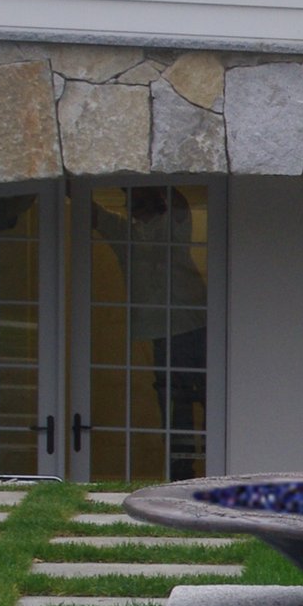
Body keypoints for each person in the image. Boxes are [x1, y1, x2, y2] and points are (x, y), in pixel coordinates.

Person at [87, 188, 208, 480]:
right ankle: (182, 472)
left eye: (136, 200)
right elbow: (93, 213)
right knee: (175, 401)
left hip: (193, 324)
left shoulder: (171, 224)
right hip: (165, 330)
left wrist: (150, 179)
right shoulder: (125, 232)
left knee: (201, 397)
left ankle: (213, 462)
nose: (131, 206)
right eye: (131, 201)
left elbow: (178, 200)